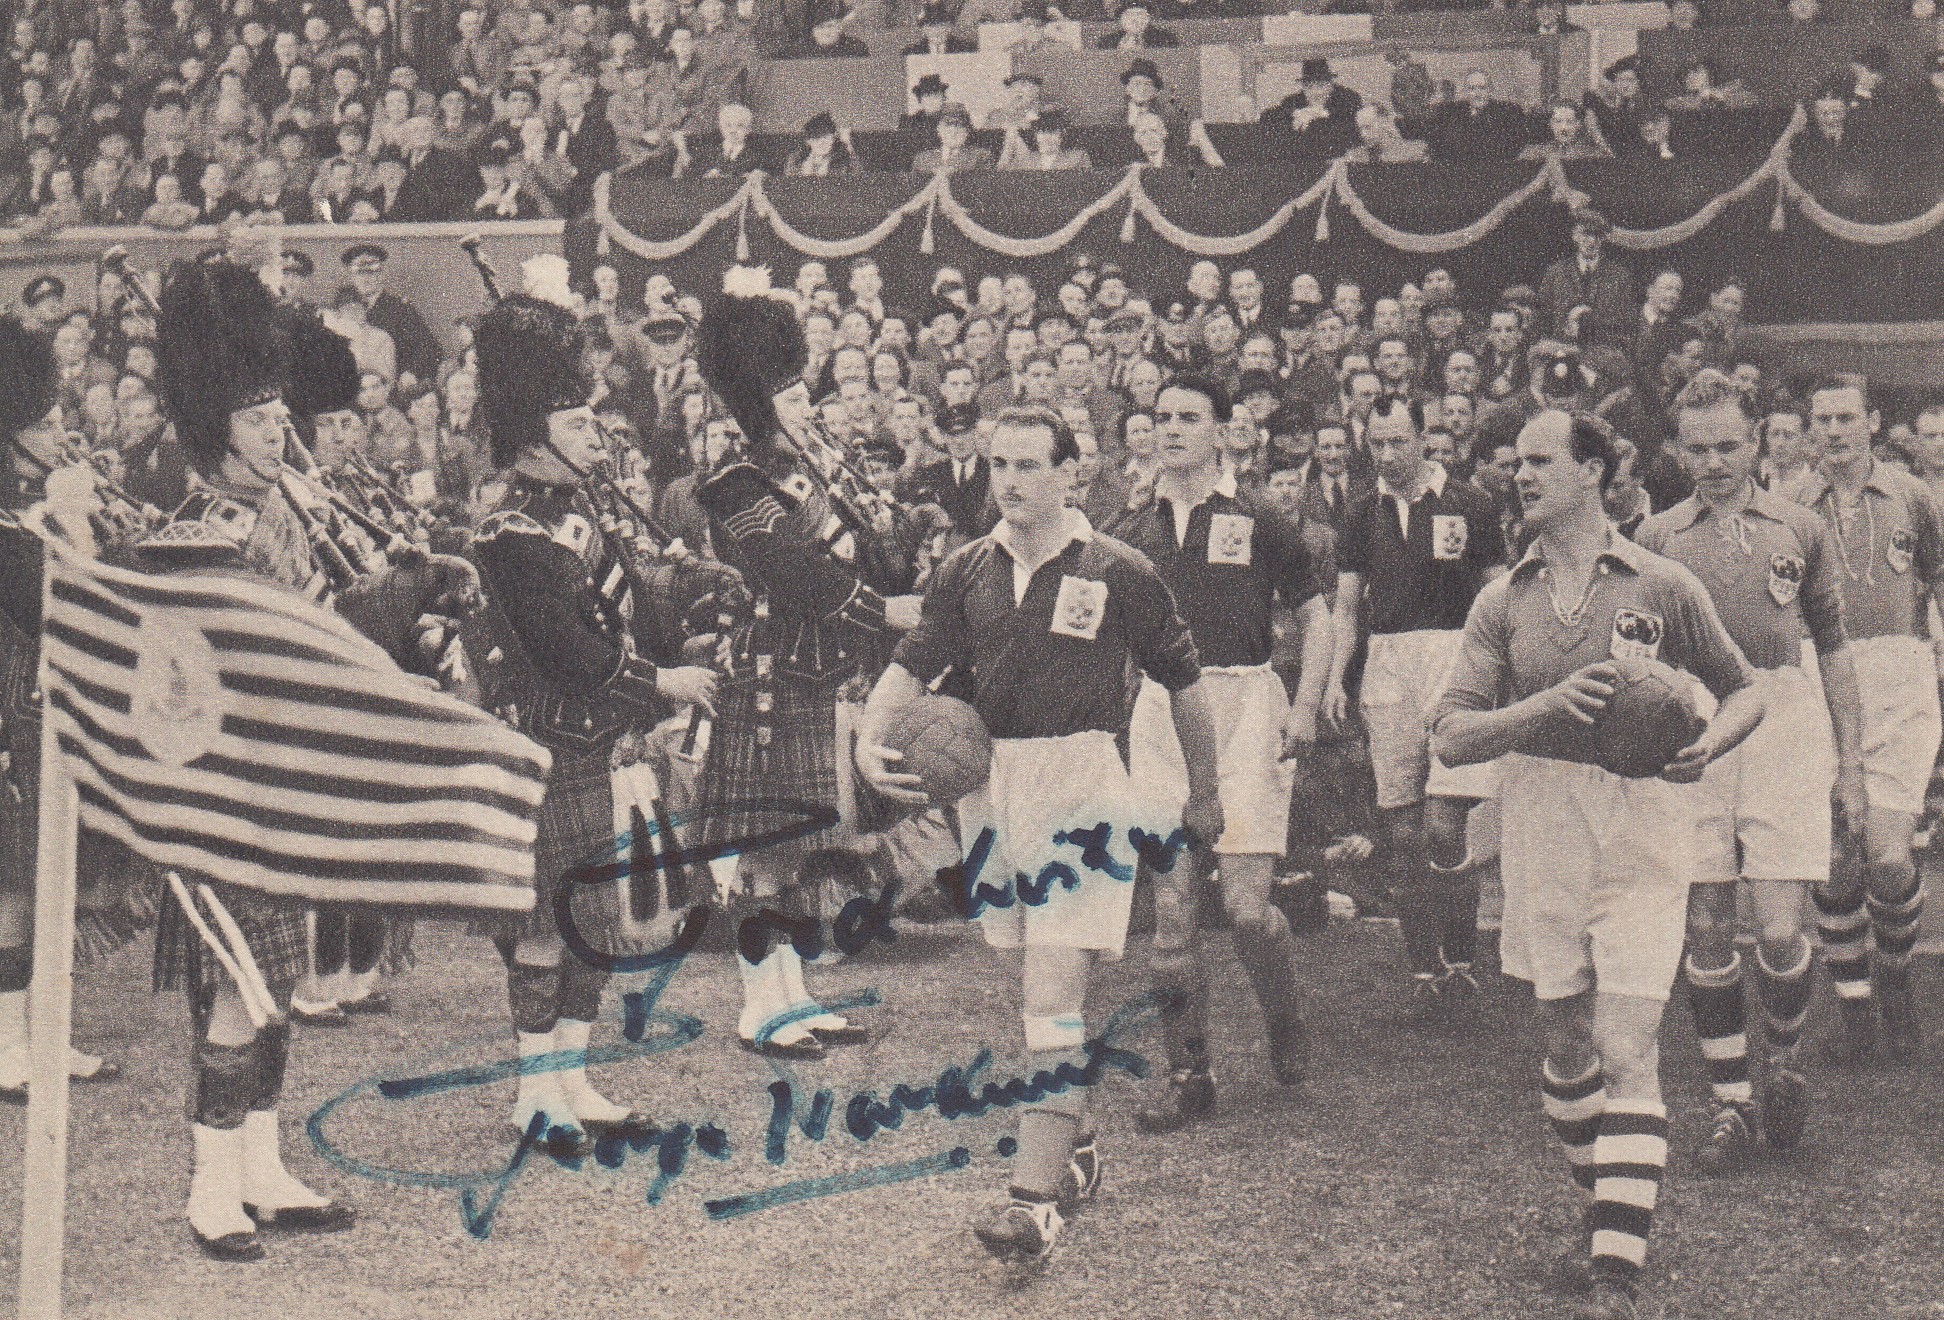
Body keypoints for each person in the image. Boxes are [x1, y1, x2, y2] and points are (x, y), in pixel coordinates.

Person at [144, 259, 473, 1261]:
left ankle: (262, 1166)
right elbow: (280, 653)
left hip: (285, 788)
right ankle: (211, 1188)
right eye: (254, 420)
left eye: (280, 414)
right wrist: (388, 605)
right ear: (216, 430)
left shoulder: (286, 511)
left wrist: (408, 613)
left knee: (277, 985)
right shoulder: (199, 535)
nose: (276, 433)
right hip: (219, 799)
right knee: (243, 991)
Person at [857, 404, 1221, 1268]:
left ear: (1072, 472)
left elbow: (1189, 686)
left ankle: (1034, 1209)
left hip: (1086, 782)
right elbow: (907, 670)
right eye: (998, 466)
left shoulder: (1121, 568)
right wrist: (872, 745)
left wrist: (1206, 794)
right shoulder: (964, 568)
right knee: (1029, 985)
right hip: (991, 789)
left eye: (1028, 464)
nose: (1010, 482)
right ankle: (1080, 1147)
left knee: (1050, 1002)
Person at [1432, 408, 1763, 1320]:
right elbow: (1453, 735)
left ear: (1595, 473)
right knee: (1567, 1047)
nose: (1519, 473)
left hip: (1645, 822)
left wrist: (1709, 746)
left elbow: (1743, 691)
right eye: (1514, 462)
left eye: (1539, 460)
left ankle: (1616, 1278)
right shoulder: (1502, 598)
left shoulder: (1662, 584)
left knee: (1627, 1048)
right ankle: (1603, 1214)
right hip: (1541, 815)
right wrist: (1545, 706)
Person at [467, 293, 717, 1156]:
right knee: (546, 928)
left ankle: (571, 1076)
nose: (596, 436)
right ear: (535, 437)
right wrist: (667, 679)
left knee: (595, 924)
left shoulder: (589, 511)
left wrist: (688, 590)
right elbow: (573, 652)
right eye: (578, 422)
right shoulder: (508, 529)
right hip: (542, 746)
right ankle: (535, 1093)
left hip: (597, 745)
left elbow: (630, 615)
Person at [1631, 370, 1863, 1175]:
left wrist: (1852, 765)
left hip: (1783, 721)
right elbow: (1639, 654)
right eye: (1697, 448)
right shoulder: (1655, 537)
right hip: (1697, 720)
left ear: (1759, 437)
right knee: (1704, 924)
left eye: (1729, 444)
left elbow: (1831, 647)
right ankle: (1731, 1101)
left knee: (1779, 930)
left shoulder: (1799, 526)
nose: (1715, 462)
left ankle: (1784, 1060)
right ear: (1677, 450)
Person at [690, 269, 925, 1058]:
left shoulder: (817, 471)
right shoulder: (734, 482)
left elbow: (866, 554)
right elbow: (799, 574)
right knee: (763, 852)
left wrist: (897, 536)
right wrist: (882, 611)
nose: (806, 412)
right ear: (760, 406)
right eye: (790, 402)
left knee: (794, 851)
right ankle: (760, 1008)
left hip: (818, 676)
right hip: (769, 677)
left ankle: (794, 998)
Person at [1105, 375, 1333, 1130]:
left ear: (1223, 431)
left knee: (1244, 912)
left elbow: (1317, 616)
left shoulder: (1260, 517)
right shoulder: (1126, 530)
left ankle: (1286, 1018)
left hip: (1246, 708)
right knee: (1172, 919)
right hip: (1162, 715)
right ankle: (1189, 1074)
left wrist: (1304, 704)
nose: (1171, 429)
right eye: (1161, 417)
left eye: (1188, 418)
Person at [1321, 397, 1507, 1021]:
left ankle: (1462, 961)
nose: (1388, 453)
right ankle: (1426, 970)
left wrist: (1498, 666)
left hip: (1456, 657)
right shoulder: (1360, 514)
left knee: (1444, 826)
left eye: (1399, 441)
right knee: (1402, 836)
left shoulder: (1468, 502)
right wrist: (1334, 680)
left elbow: (1497, 591)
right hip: (1388, 665)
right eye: (1377, 443)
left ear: (1424, 438)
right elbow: (1347, 608)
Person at [1792, 374, 1944, 1064]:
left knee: (1886, 855)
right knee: (1833, 861)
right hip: (1818, 672)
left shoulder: (1915, 496)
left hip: (1898, 675)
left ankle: (1894, 976)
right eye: (1821, 420)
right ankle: (1854, 1013)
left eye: (1846, 418)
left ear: (1873, 423)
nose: (1833, 431)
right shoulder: (1790, 503)